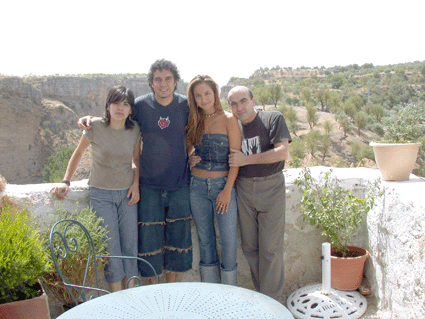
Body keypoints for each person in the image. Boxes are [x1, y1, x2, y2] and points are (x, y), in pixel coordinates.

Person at [77, 60, 192, 284]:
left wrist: (196, 153)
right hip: (147, 185)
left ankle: (169, 290)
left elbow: (202, 125)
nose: (163, 84)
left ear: (175, 81)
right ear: (150, 82)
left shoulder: (186, 106)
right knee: (148, 242)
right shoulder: (140, 105)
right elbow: (117, 120)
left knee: (177, 240)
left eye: (168, 78)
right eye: (157, 79)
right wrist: (91, 120)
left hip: (180, 184)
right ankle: (153, 291)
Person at [52, 85, 141, 292]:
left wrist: (136, 185)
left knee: (130, 247)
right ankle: (117, 298)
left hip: (127, 194)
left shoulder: (134, 129)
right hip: (101, 194)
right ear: (108, 106)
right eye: (116, 103)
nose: (120, 108)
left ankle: (133, 295)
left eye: (125, 104)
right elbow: (78, 153)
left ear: (130, 109)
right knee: (111, 249)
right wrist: (66, 181)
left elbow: (136, 160)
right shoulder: (95, 127)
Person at [227, 86, 292, 300]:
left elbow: (282, 152)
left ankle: (272, 303)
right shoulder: (231, 126)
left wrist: (246, 160)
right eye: (234, 103)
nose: (239, 107)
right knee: (250, 248)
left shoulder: (272, 118)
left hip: (271, 186)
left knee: (270, 250)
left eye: (243, 101)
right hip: (243, 188)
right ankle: (263, 296)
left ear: (253, 100)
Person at [186, 75, 241, 285]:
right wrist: (189, 157)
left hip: (222, 186)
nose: (204, 98)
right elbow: (187, 147)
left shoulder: (228, 119)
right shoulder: (194, 120)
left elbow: (235, 159)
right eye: (198, 95)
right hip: (197, 187)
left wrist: (227, 190)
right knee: (205, 241)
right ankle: (210, 294)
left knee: (227, 242)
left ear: (215, 93)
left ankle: (230, 295)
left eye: (207, 93)